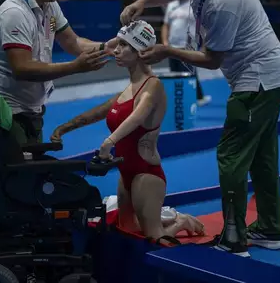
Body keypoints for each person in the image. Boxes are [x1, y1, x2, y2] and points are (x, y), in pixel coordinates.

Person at [120, 0, 280, 258]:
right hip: (271, 74)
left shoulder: (220, 2)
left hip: (258, 80)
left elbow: (213, 60)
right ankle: (269, 229)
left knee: (231, 156)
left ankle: (233, 239)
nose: (165, 0)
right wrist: (139, 4)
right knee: (262, 154)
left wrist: (166, 51)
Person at [50, 20, 205, 242]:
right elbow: (96, 113)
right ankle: (170, 219)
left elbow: (137, 117)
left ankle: (182, 221)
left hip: (146, 172)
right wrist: (64, 127)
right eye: (118, 44)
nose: (116, 50)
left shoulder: (153, 86)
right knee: (127, 227)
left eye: (124, 46)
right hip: (126, 172)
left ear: (140, 52)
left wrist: (108, 142)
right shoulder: (128, 90)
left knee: (154, 237)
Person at [0, 0, 117, 147]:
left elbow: (72, 42)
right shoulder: (15, 14)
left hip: (32, 109)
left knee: (29, 171)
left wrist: (106, 47)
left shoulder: (50, 8)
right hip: (7, 113)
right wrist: (75, 67)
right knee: (15, 174)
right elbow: (22, 69)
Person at [162, 0, 212, 107]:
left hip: (188, 45)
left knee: (190, 73)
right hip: (172, 46)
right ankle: (177, 98)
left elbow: (202, 26)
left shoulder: (195, 4)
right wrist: (165, 42)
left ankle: (198, 97)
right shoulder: (172, 5)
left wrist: (203, 44)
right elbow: (166, 25)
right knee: (175, 73)